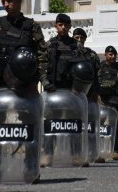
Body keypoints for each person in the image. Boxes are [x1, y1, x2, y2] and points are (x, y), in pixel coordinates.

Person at [0, 0, 51, 183]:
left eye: (9, 1)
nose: (6, 5)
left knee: (29, 128)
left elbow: (43, 57)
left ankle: (30, 171)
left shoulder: (32, 27)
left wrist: (34, 82)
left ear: (19, 1)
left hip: (25, 87)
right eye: (3, 1)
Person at [41, 14, 92, 167]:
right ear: (55, 26)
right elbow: (42, 66)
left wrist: (79, 88)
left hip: (72, 92)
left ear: (69, 26)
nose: (63, 27)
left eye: (65, 25)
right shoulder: (49, 45)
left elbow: (85, 69)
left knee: (73, 124)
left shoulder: (77, 46)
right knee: (50, 125)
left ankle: (77, 156)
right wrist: (45, 82)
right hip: (53, 91)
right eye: (60, 24)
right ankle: (47, 155)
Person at [72, 28, 106, 163]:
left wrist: (96, 94)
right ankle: (76, 154)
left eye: (81, 37)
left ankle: (92, 154)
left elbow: (97, 76)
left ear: (85, 39)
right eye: (76, 37)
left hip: (89, 95)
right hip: (74, 95)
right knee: (75, 127)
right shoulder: (70, 52)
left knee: (91, 127)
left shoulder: (92, 55)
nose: (79, 40)